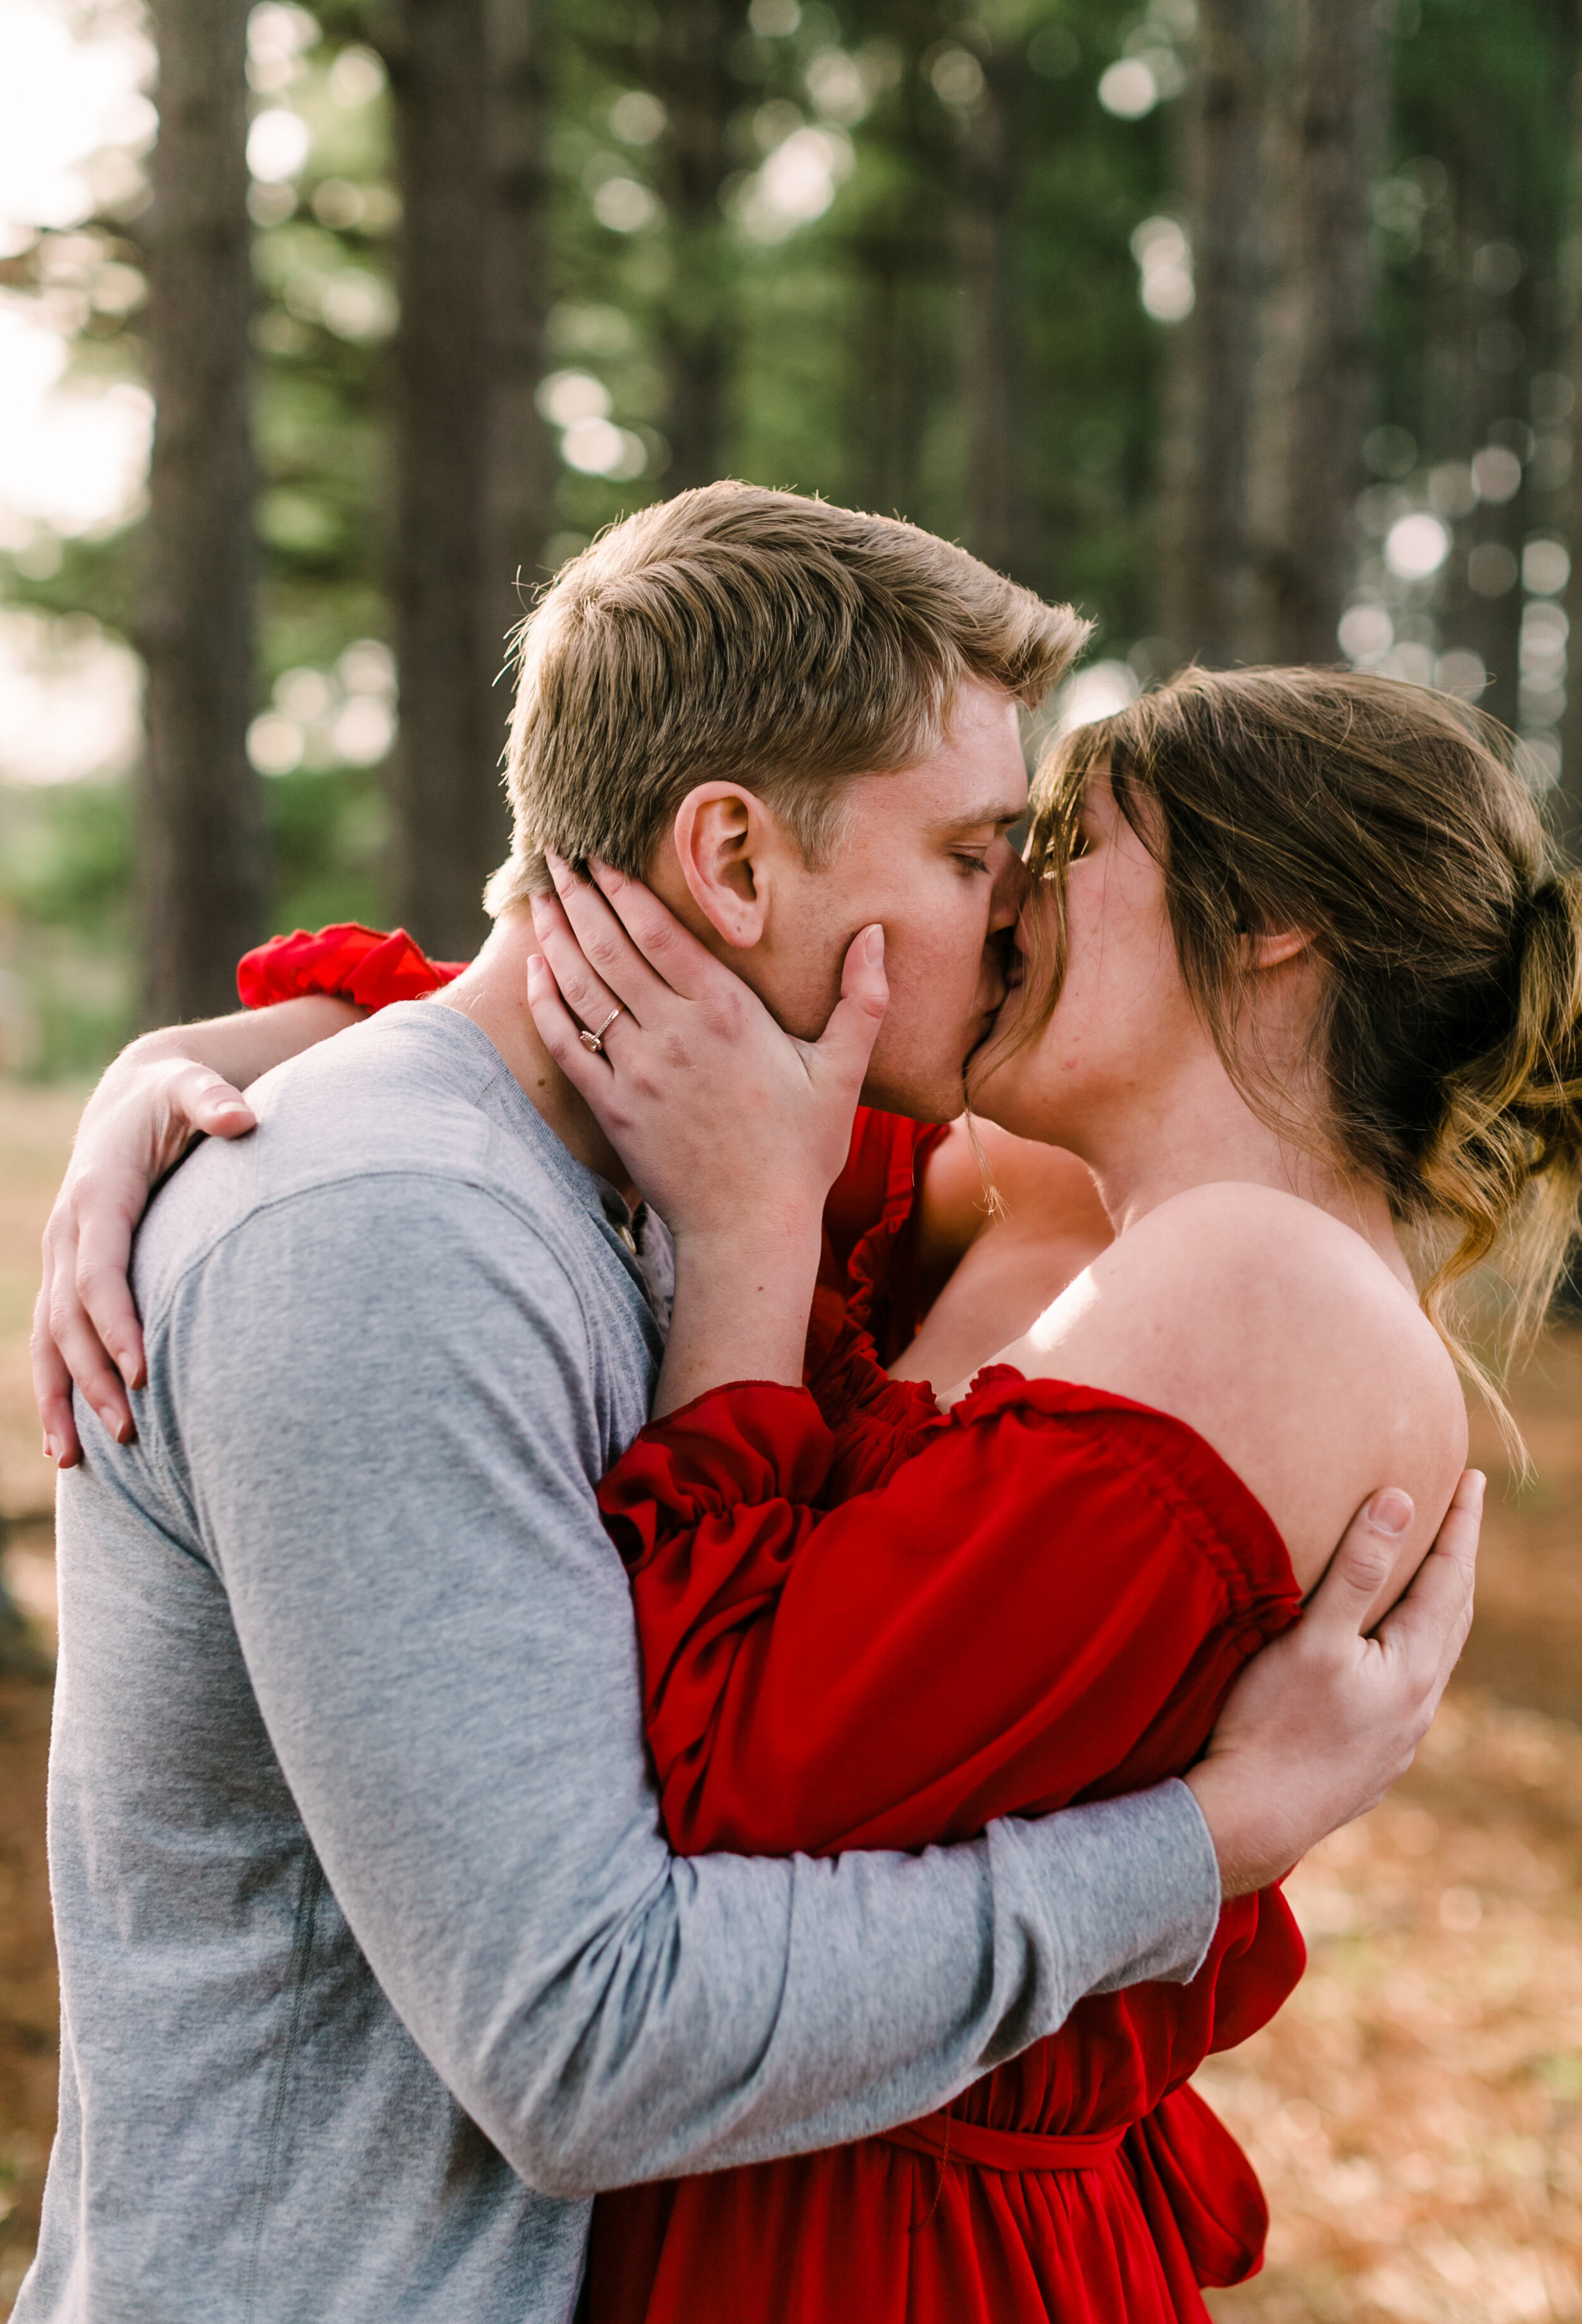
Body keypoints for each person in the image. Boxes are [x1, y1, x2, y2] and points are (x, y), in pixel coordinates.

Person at [23, 492, 1477, 2324]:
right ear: (729, 861)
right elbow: (596, 2037)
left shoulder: (710, 1169)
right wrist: (1201, 1842)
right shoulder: (388, 1233)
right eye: (969, 854)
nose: (1010, 900)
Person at [508, 664, 1569, 2323]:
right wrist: (233, 1054)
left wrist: (747, 1245)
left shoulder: (1260, 1287)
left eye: (1066, 844)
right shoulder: (1056, 1211)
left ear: (1270, 921)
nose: (1004, 896)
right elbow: (636, 1052)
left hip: (886, 2266)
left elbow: (729, 1777)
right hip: (763, 2170)